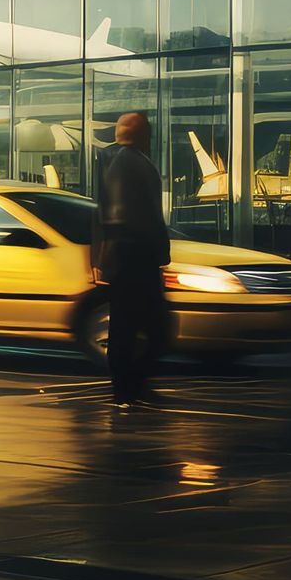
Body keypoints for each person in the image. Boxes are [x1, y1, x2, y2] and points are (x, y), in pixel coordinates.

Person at [94, 112, 170, 406]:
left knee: (130, 328)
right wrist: (158, 250)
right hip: (135, 258)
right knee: (148, 329)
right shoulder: (129, 163)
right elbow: (134, 216)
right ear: (143, 134)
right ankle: (128, 388)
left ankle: (129, 387)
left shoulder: (122, 161)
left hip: (129, 258)